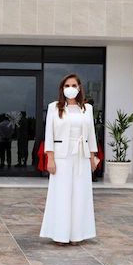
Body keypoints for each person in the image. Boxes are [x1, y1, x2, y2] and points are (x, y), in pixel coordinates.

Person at [40, 73, 98, 244]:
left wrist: (92, 157)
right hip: (61, 156)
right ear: (62, 89)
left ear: (79, 88)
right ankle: (60, 234)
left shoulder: (87, 109)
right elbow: (48, 134)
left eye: (73, 85)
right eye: (67, 86)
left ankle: (77, 234)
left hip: (81, 155)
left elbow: (91, 134)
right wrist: (50, 158)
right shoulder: (54, 107)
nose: (70, 89)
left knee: (81, 194)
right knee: (61, 194)